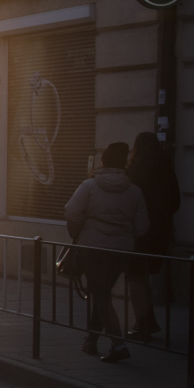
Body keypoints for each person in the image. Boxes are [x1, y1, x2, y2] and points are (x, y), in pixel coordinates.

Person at [65, 141, 149, 364]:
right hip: (121, 251)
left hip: (92, 247)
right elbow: (142, 227)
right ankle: (91, 341)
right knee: (102, 294)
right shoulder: (134, 191)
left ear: (103, 162)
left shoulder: (89, 186)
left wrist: (78, 233)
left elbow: (71, 212)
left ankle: (118, 345)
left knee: (101, 295)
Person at [125, 131, 180, 340]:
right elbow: (175, 201)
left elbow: (130, 202)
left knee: (135, 276)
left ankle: (143, 323)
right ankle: (148, 322)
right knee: (143, 275)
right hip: (160, 232)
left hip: (139, 232)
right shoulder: (167, 168)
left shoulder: (136, 169)